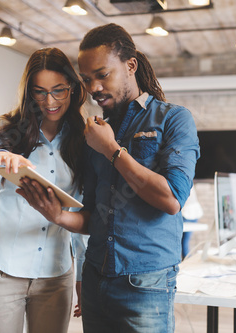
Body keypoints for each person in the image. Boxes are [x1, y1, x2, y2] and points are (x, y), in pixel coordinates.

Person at [17, 23, 200, 332]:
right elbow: (93, 216)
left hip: (145, 282)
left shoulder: (173, 118)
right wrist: (57, 215)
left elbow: (171, 200)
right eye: (87, 79)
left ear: (131, 66)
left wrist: (113, 151)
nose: (94, 88)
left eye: (103, 75)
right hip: (95, 279)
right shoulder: (94, 132)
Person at [0, 48, 87, 333]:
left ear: (73, 88)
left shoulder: (84, 140)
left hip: (56, 276)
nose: (50, 101)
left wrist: (83, 277)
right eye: (39, 92)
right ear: (29, 93)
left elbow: (82, 209)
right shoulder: (6, 129)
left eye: (59, 90)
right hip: (0, 273)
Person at [181, 186, 203, 259]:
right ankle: (187, 261)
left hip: (187, 213)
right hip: (193, 212)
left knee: (184, 242)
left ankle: (186, 262)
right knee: (185, 242)